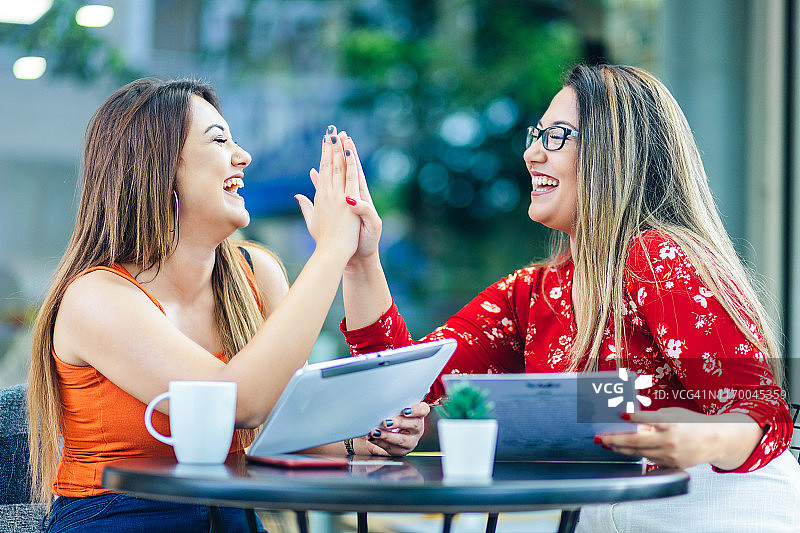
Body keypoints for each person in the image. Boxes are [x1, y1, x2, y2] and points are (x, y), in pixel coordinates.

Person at [334, 64, 800, 531]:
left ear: (614, 154)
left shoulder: (660, 259)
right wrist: (360, 257)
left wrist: (697, 438)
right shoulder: (532, 293)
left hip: (715, 509)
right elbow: (397, 384)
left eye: (556, 136)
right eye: (536, 135)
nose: (532, 153)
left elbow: (763, 415)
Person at [27, 78, 427, 533]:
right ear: (158, 169)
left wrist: (365, 438)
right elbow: (236, 404)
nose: (243, 155)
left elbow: (283, 424)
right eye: (219, 140)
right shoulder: (95, 297)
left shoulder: (256, 275)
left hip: (234, 517)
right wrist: (330, 250)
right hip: (121, 517)